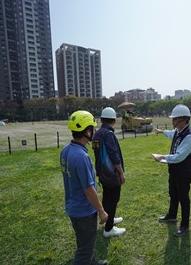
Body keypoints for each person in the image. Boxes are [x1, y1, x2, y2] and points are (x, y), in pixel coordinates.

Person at [60, 110, 108, 265]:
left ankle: (90, 261)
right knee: (84, 248)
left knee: (84, 241)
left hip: (73, 207)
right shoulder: (81, 157)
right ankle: (85, 260)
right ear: (87, 131)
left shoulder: (66, 150)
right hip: (84, 211)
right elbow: (89, 189)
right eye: (92, 128)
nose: (93, 131)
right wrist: (101, 211)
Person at [153, 104, 191, 237]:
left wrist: (162, 157)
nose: (172, 121)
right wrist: (161, 131)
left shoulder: (189, 137)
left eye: (174, 119)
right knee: (173, 193)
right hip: (174, 171)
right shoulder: (178, 131)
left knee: (183, 198)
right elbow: (171, 134)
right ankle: (172, 216)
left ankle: (185, 225)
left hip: (183, 173)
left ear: (183, 119)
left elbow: (178, 157)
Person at [92, 107, 126, 238]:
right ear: (114, 120)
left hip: (102, 173)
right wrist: (121, 173)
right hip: (111, 173)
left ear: (101, 119)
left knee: (107, 197)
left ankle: (108, 218)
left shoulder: (97, 134)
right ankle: (109, 228)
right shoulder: (109, 134)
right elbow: (113, 154)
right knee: (113, 199)